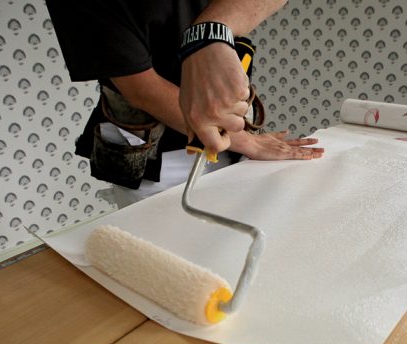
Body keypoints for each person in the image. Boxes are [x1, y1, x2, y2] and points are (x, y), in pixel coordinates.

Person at [45, 0, 323, 207]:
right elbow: (141, 89)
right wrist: (246, 141)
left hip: (231, 138)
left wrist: (209, 32)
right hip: (152, 157)